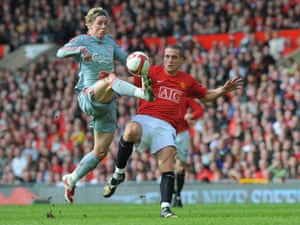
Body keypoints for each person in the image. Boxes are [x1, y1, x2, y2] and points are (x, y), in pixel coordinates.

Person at [102, 44, 243, 218]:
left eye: (174, 57)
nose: (169, 60)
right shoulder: (151, 72)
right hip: (145, 119)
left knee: (168, 161)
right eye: (167, 56)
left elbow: (205, 96)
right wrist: (113, 78)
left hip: (167, 126)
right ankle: (119, 173)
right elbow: (130, 82)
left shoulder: (187, 80)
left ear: (181, 60)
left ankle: (165, 209)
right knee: (130, 130)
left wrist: (223, 90)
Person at [56, 7, 154, 203]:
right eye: (99, 24)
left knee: (99, 152)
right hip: (89, 95)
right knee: (110, 79)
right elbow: (60, 52)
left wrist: (141, 64)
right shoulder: (82, 41)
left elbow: (127, 61)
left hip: (107, 102)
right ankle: (142, 94)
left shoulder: (110, 42)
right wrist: (80, 50)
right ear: (89, 25)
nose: (103, 27)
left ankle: (72, 179)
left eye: (105, 24)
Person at [172, 98, 204, 208]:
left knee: (180, 166)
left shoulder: (184, 94)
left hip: (181, 134)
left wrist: (192, 116)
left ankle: (177, 195)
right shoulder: (163, 93)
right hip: (166, 132)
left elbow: (199, 109)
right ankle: (171, 194)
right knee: (165, 164)